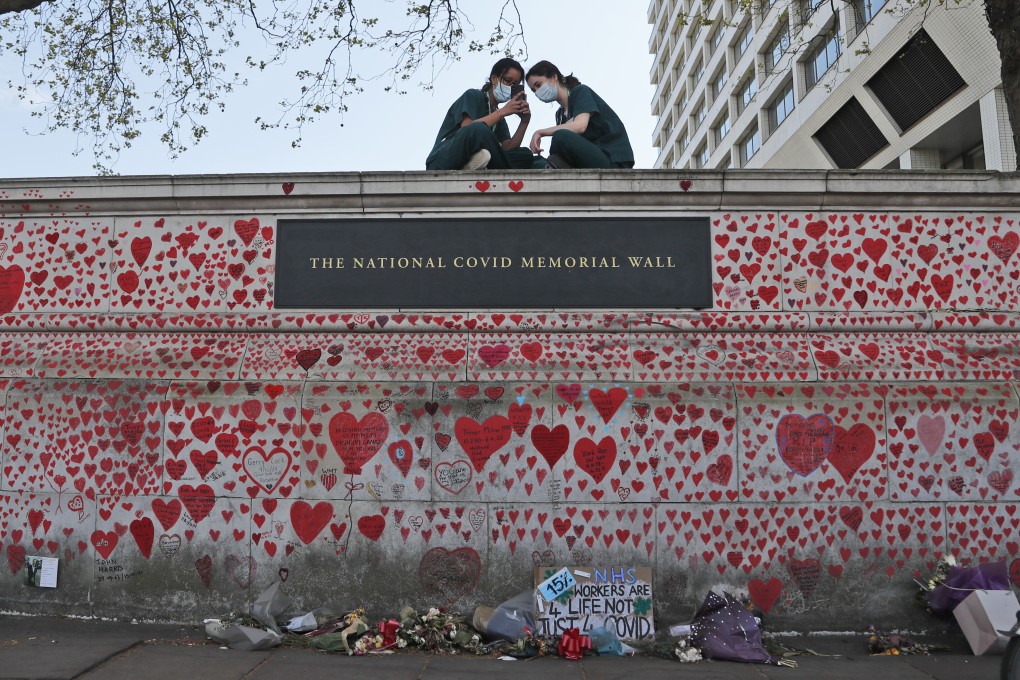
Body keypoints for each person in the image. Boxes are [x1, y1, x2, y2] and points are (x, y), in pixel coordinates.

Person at [426, 58, 535, 171]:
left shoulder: (498, 116)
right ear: (494, 79)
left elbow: (507, 148)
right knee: (478, 128)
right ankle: (480, 162)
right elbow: (468, 128)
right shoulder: (473, 95)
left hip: (483, 155)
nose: (511, 86)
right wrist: (502, 112)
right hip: (443, 159)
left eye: (515, 84)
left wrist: (524, 121)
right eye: (508, 80)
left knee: (525, 155)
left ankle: (473, 163)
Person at [525, 60, 634, 169]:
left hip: (611, 159)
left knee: (560, 136)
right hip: (587, 161)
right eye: (534, 90)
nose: (537, 92)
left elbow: (580, 126)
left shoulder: (580, 92)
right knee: (536, 163)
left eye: (538, 85)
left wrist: (540, 132)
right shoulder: (559, 115)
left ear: (554, 77)